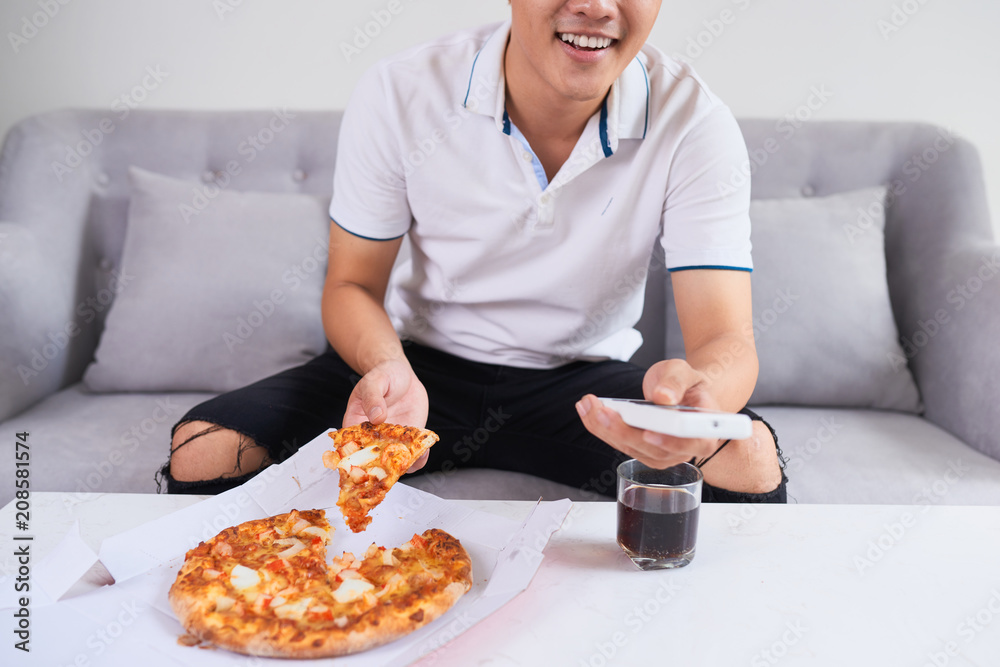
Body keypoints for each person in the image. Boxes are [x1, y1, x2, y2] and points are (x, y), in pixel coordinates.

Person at [160, 0, 787, 503]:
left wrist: (700, 395)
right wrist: (387, 370)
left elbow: (728, 339)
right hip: (417, 369)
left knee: (750, 460)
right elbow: (351, 286)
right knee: (204, 448)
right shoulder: (402, 89)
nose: (596, 7)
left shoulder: (694, 120)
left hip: (582, 388)